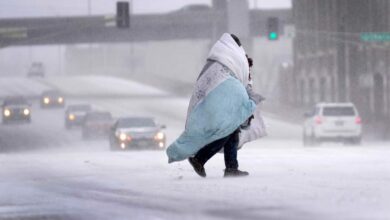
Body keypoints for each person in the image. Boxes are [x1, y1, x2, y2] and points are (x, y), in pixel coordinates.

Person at [166, 33, 262, 178]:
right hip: (222, 102)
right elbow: (239, 81)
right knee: (226, 131)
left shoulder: (216, 60)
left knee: (231, 132)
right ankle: (200, 159)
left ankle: (231, 167)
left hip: (215, 102)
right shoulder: (234, 58)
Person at [188, 54, 259, 178]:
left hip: (228, 109)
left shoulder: (235, 72)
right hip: (227, 109)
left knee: (232, 137)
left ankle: (231, 168)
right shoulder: (235, 74)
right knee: (225, 137)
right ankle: (199, 159)